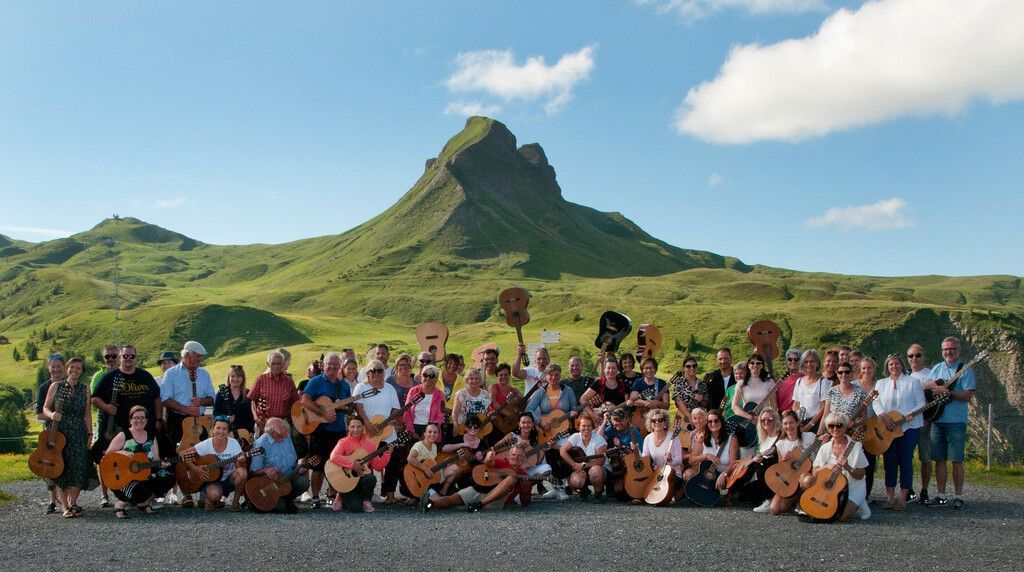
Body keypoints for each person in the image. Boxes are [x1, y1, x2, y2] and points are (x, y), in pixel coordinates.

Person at [42, 357, 99, 517]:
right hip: (59, 432)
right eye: (72, 367)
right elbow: (45, 407)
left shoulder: (85, 388)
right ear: (67, 369)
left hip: (79, 433)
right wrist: (52, 414)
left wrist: (90, 433)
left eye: (78, 368)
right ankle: (65, 507)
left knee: (79, 467)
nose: (74, 370)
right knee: (60, 468)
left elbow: (87, 414)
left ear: (82, 372)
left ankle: (72, 502)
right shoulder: (55, 386)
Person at [927, 336, 976, 509]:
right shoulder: (937, 368)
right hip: (937, 419)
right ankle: (940, 494)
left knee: (957, 460)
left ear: (958, 350)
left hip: (956, 421)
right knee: (939, 459)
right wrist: (932, 387)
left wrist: (949, 392)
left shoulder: (965, 370)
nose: (949, 352)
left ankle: (959, 495)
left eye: (952, 349)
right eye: (946, 349)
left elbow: (968, 395)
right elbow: (928, 388)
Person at [873, 353, 925, 511]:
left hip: (908, 428)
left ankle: (902, 498)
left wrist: (910, 414)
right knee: (889, 462)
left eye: (896, 364)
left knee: (905, 461)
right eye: (890, 365)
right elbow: (876, 402)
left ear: (902, 365)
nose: (894, 367)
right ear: (887, 368)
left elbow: (921, 402)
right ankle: (889, 498)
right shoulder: (881, 384)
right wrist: (883, 415)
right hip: (888, 428)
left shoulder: (913, 382)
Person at [300, 352, 352, 510]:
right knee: (317, 464)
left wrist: (344, 406)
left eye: (336, 365)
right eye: (330, 364)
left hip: (338, 431)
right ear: (324, 365)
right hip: (319, 430)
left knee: (335, 464)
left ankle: (331, 496)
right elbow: (304, 400)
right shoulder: (316, 381)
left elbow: (350, 408)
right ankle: (315, 497)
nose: (332, 367)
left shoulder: (344, 385)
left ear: (340, 367)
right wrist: (322, 413)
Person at [103, 405, 175, 518]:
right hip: (123, 476)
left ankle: (143, 503)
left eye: (142, 417)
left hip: (145, 473)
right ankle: (120, 504)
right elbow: (108, 454)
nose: (139, 420)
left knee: (168, 478)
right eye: (136, 418)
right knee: (140, 490)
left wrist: (162, 464)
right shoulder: (123, 435)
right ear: (130, 420)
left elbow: (155, 459)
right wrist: (122, 452)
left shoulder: (151, 436)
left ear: (146, 420)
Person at [420, 445, 533, 512]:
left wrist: (527, 489)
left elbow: (525, 502)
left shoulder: (523, 474)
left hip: (495, 500)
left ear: (523, 458)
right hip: (479, 489)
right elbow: (488, 463)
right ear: (509, 455)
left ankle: (480, 504)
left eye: (519, 456)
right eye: (513, 454)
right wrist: (489, 458)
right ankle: (429, 504)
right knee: (453, 499)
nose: (515, 457)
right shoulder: (500, 461)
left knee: (511, 479)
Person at [801, 412, 870, 522]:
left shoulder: (856, 447)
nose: (835, 429)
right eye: (831, 426)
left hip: (852, 487)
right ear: (827, 428)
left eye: (839, 425)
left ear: (845, 427)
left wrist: (847, 467)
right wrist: (826, 467)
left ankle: (860, 503)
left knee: (840, 518)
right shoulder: (825, 447)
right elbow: (815, 471)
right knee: (806, 479)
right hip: (830, 486)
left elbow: (861, 475)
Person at [353, 359, 404, 505]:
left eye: (379, 370)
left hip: (388, 433)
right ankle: (367, 495)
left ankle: (390, 495)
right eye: (372, 371)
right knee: (366, 462)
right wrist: (367, 424)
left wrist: (393, 419)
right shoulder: (361, 387)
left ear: (384, 373)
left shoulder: (389, 388)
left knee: (392, 462)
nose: (376, 373)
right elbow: (359, 407)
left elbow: (395, 408)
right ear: (367, 373)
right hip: (367, 431)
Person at [92, 344, 162, 446]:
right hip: (118, 430)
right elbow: (94, 398)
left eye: (132, 356)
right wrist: (106, 407)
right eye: (125, 356)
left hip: (145, 427)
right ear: (120, 358)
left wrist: (159, 419)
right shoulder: (109, 377)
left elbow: (156, 397)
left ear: (136, 358)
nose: (128, 358)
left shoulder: (145, 376)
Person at [184, 417, 248, 511]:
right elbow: (183, 455)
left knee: (242, 472)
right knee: (214, 496)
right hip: (212, 480)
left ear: (228, 431)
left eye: (224, 429)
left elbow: (240, 467)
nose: (221, 431)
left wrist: (240, 461)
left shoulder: (234, 443)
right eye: (218, 428)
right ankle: (212, 499)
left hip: (228, 480)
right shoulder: (206, 444)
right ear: (212, 429)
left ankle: (235, 502)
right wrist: (195, 468)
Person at [160, 341, 216, 448]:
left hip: (200, 420)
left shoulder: (204, 374)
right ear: (187, 355)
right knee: (178, 453)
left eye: (201, 356)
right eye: (198, 356)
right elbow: (165, 399)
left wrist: (201, 401)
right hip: (177, 421)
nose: (201, 359)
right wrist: (185, 409)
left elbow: (212, 398)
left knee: (201, 451)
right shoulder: (171, 374)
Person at [248, 417, 308, 513]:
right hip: (270, 483)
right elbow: (254, 471)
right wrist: (266, 470)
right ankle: (278, 501)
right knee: (283, 509)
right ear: (273, 433)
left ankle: (284, 498)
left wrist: (298, 469)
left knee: (303, 482)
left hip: (287, 477)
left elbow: (293, 461)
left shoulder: (286, 437)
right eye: (283, 429)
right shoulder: (260, 443)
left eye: (285, 427)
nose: (287, 431)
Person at [328, 416, 387, 512]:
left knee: (371, 478)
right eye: (352, 427)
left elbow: (378, 466)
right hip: (347, 481)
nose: (355, 430)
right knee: (356, 508)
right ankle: (341, 496)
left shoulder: (370, 444)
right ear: (348, 427)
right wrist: (352, 465)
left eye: (359, 427)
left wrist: (388, 453)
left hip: (361, 480)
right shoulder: (343, 442)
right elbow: (333, 456)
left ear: (363, 427)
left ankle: (366, 500)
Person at [768, 410, 819, 516]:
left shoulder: (809, 437)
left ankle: (803, 502)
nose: (788, 426)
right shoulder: (780, 444)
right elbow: (780, 469)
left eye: (791, 422)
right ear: (782, 425)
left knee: (806, 479)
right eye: (785, 423)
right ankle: (794, 499)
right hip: (790, 480)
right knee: (774, 509)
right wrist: (783, 461)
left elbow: (819, 458)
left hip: (807, 477)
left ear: (797, 423)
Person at [906, 343, 933, 503]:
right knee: (907, 458)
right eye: (911, 356)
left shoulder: (930, 375)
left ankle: (925, 489)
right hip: (908, 425)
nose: (914, 358)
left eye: (918, 355)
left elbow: (936, 398)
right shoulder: (905, 376)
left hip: (924, 423)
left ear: (924, 357)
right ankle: (908, 489)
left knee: (925, 458)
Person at [248, 350, 299, 434]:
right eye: (273, 363)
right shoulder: (260, 379)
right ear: (268, 364)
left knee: (283, 447)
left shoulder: (289, 382)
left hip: (282, 423)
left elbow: (296, 402)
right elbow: (252, 400)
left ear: (283, 365)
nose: (276, 366)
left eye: (278, 363)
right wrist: (256, 417)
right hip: (263, 423)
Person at [36, 353, 63, 514]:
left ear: (64, 368)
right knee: (49, 464)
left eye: (58, 366)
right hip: (50, 431)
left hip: (68, 430)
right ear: (48, 368)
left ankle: (67, 501)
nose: (55, 369)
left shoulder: (69, 384)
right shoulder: (44, 388)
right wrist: (53, 415)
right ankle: (52, 501)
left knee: (65, 464)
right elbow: (39, 414)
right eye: (53, 366)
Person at [559, 416, 608, 502]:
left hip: (598, 467)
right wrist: (574, 465)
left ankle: (598, 493)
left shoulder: (599, 439)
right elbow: (562, 450)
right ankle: (583, 490)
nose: (586, 428)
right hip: (580, 467)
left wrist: (583, 465)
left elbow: (601, 461)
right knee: (575, 481)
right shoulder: (575, 437)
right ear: (578, 427)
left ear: (592, 427)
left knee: (595, 471)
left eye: (589, 426)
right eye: (583, 426)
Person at [682, 409, 736, 484]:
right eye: (710, 421)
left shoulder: (731, 439)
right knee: (688, 474)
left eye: (716, 421)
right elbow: (691, 460)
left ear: (721, 422)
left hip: (723, 475)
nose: (713, 423)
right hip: (705, 474)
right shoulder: (702, 437)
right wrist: (705, 456)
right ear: (707, 423)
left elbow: (733, 463)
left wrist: (724, 474)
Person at [817, 361, 868, 436]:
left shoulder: (860, 392)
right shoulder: (831, 391)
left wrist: (853, 424)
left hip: (852, 434)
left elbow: (863, 418)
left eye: (847, 372)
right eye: (840, 372)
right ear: (837, 374)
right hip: (833, 433)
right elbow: (826, 415)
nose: (843, 374)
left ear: (851, 373)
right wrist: (819, 433)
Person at [640, 409, 682, 500]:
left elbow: (679, 460)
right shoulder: (648, 438)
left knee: (664, 489)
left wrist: (671, 460)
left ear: (665, 422)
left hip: (672, 474)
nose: (657, 422)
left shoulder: (674, 437)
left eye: (660, 420)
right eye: (654, 420)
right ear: (650, 423)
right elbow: (645, 457)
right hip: (656, 473)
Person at [527, 364, 579, 432]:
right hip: (546, 431)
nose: (553, 377)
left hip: (565, 430)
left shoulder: (568, 391)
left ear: (560, 376)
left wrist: (574, 412)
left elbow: (574, 408)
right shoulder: (541, 392)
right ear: (546, 376)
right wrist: (540, 422)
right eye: (550, 374)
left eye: (556, 375)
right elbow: (529, 409)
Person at [855, 356, 879, 500]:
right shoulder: (854, 384)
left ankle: (866, 494)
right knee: (855, 460)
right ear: (860, 370)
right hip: (856, 427)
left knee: (869, 461)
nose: (866, 370)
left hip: (873, 428)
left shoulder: (880, 385)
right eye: (864, 368)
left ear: (874, 369)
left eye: (869, 367)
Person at [750, 408, 782, 513]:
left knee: (763, 464)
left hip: (775, 471)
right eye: (763, 420)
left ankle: (769, 499)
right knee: (744, 495)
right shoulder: (764, 438)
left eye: (769, 419)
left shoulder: (780, 436)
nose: (766, 422)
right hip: (762, 474)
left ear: (776, 420)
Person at [791, 349, 830, 433]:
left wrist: (810, 425)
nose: (809, 364)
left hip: (817, 424)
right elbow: (796, 404)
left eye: (812, 361)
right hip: (801, 423)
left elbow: (823, 407)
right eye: (806, 361)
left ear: (817, 363)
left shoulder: (823, 382)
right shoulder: (799, 382)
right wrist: (798, 421)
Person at [403, 364, 446, 438]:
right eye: (425, 375)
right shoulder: (413, 391)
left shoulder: (440, 395)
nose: (428, 378)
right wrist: (411, 431)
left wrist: (428, 433)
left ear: (436, 379)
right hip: (412, 429)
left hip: (431, 433)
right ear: (421, 376)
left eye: (432, 376)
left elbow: (440, 416)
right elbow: (407, 411)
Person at [730, 354, 777, 422]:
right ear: (748, 366)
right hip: (748, 421)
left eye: (758, 363)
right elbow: (734, 406)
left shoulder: (770, 382)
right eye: (752, 363)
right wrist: (749, 417)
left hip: (765, 421)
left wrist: (771, 420)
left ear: (762, 366)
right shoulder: (741, 383)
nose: (755, 365)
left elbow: (774, 406)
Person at [214, 364, 255, 437]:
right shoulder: (221, 392)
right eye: (232, 376)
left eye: (238, 376)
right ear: (228, 378)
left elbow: (251, 416)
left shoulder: (248, 393)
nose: (235, 379)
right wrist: (226, 418)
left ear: (243, 378)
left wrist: (251, 430)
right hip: (225, 432)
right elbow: (215, 414)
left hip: (244, 433)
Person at [453, 368, 491, 434]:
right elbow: (455, 413)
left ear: (480, 380)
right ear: (467, 380)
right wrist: (455, 425)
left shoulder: (485, 394)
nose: (474, 381)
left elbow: (486, 412)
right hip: (463, 429)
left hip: (479, 430)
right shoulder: (460, 394)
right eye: (471, 378)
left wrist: (490, 415)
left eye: (476, 378)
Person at [672, 355, 708, 425]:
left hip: (700, 418)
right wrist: (689, 416)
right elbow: (678, 400)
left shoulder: (702, 384)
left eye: (694, 366)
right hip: (683, 417)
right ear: (684, 368)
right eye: (688, 366)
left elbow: (706, 404)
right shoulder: (679, 382)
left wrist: (701, 401)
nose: (692, 368)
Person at [704, 347, 735, 412]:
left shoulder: (738, 376)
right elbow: (706, 398)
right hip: (715, 418)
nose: (723, 361)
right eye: (720, 359)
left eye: (726, 358)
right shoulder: (709, 376)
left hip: (734, 415)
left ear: (731, 359)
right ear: (717, 360)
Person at [777, 348, 802, 412]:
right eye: (790, 359)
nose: (793, 361)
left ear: (800, 361)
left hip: (794, 415)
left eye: (796, 359)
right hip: (781, 414)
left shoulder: (804, 378)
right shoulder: (782, 379)